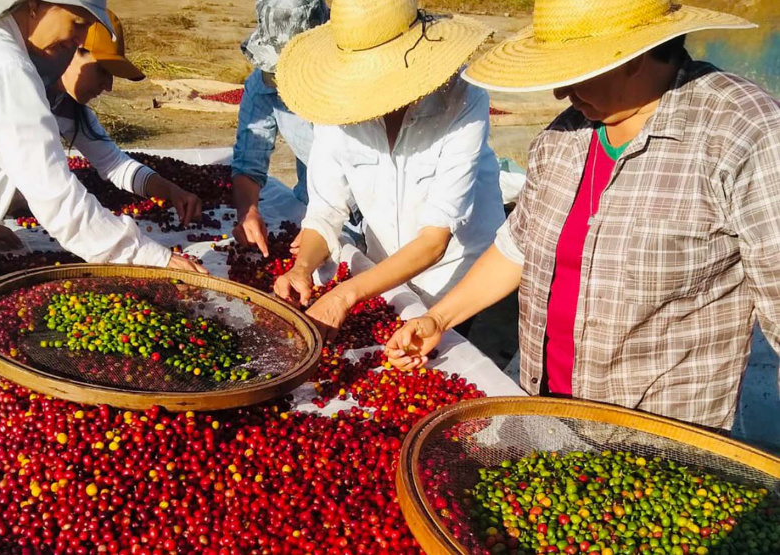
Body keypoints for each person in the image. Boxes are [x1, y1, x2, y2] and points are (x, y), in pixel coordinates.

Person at [0, 1, 205, 553]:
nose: (73, 42)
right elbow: (60, 202)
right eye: (75, 28)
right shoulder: (3, 65)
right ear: (35, 3)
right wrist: (155, 260)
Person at [386, 0, 778, 432]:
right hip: (547, 407)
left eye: (577, 72)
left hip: (662, 438)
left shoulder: (744, 131)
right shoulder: (564, 137)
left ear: (636, 55)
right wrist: (439, 318)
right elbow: (518, 247)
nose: (560, 93)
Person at [271, 0, 505, 342]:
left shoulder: (463, 100)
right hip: (383, 271)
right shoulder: (337, 106)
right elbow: (326, 209)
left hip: (456, 275)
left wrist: (345, 294)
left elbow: (434, 241)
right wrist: (302, 267)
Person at [0, 8, 204, 251]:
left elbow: (114, 164)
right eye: (102, 70)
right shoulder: (14, 89)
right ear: (71, 48)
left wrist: (170, 190)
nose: (108, 86)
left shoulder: (68, 107)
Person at [231, 0, 328, 257]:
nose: (282, 81)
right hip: (314, 205)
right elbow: (248, 163)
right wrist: (248, 211)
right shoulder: (263, 85)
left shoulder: (358, 84)